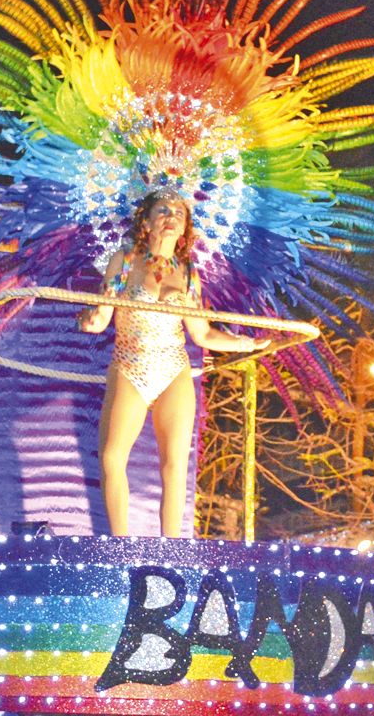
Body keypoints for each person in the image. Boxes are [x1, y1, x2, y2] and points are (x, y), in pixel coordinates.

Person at [79, 190, 273, 538]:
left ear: (185, 229)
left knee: (175, 466)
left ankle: (172, 550)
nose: (170, 217)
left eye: (179, 214)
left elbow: (202, 334)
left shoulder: (188, 273)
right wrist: (90, 319)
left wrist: (245, 342)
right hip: (130, 363)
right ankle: (121, 545)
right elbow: (102, 315)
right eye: (163, 210)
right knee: (111, 457)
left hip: (173, 368)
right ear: (147, 220)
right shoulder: (123, 260)